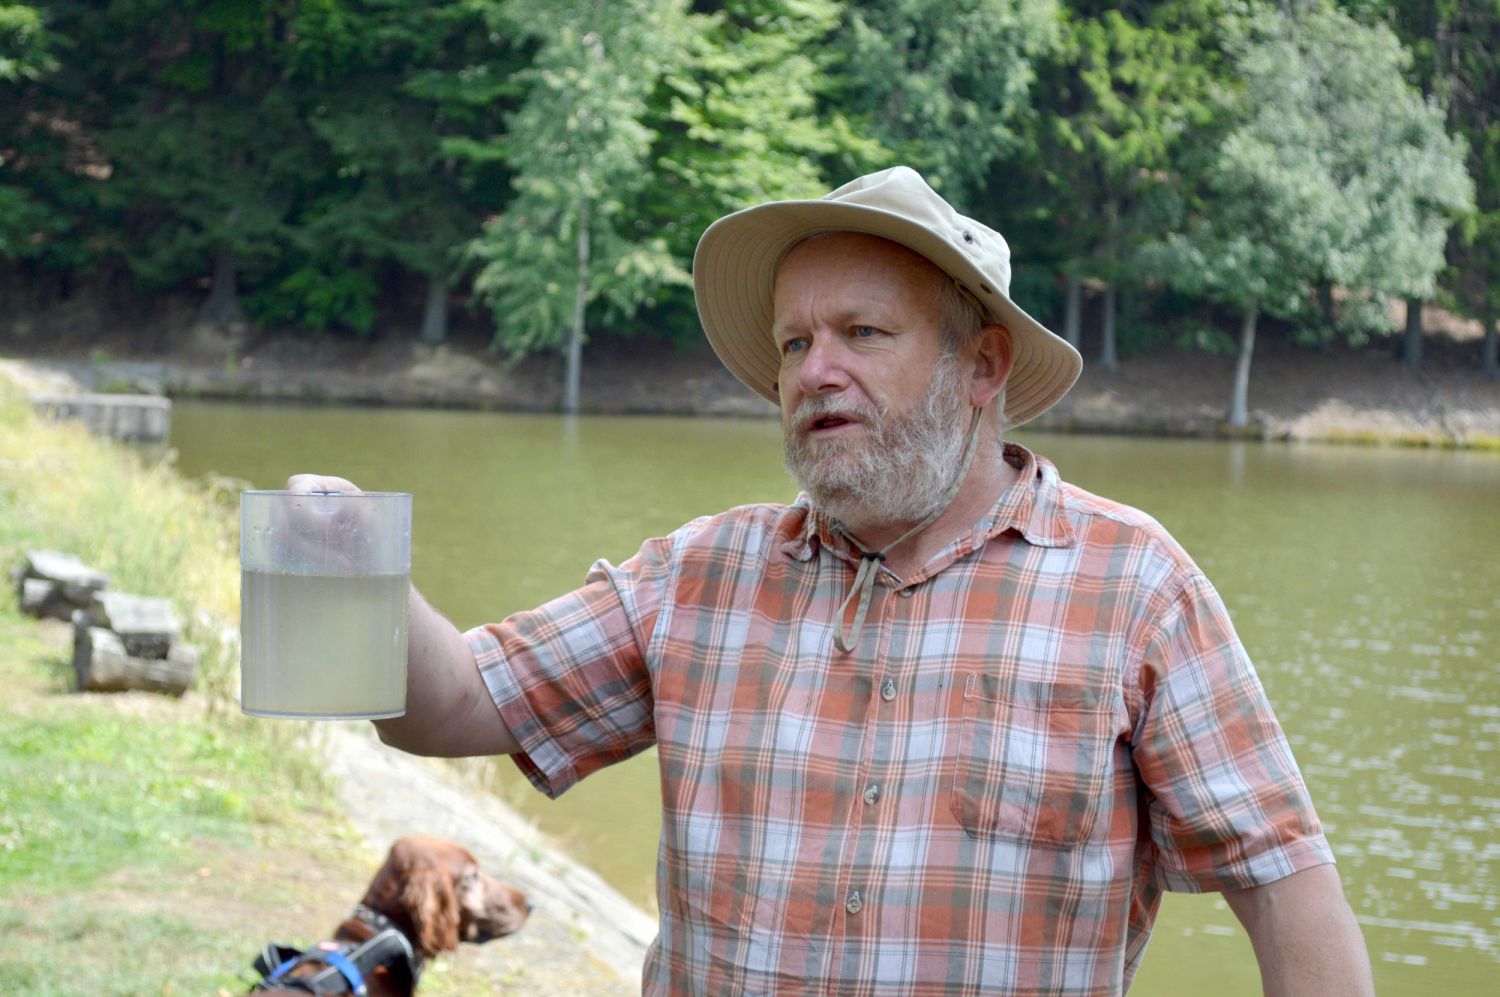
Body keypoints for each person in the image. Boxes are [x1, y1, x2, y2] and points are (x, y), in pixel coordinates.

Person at [290, 166, 1373, 996]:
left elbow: (1284, 884)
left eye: (862, 332)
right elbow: (449, 704)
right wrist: (347, 567)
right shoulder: (701, 575)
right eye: (794, 342)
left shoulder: (1134, 587)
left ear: (982, 365)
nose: (814, 370)